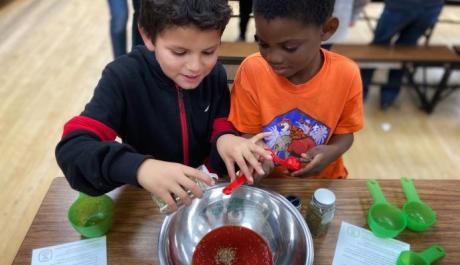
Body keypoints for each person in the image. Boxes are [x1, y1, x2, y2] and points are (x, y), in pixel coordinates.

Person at [56, 0, 271, 211]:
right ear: (148, 35)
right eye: (179, 52)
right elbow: (74, 149)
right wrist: (140, 167)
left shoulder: (214, 74)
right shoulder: (123, 77)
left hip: (206, 193)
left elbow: (221, 123)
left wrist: (228, 140)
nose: (195, 67)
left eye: (208, 52)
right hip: (147, 201)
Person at [229, 0, 364, 179]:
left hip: (324, 181)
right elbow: (248, 131)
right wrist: (258, 152)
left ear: (327, 29)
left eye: (289, 47)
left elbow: (346, 134)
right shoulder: (252, 70)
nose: (273, 57)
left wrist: (333, 151)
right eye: (263, 44)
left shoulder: (346, 74)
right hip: (271, 183)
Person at [361, 0, 444, 109]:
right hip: (430, 7)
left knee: (381, 46)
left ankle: (362, 89)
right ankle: (388, 95)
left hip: (406, 5)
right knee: (404, 50)